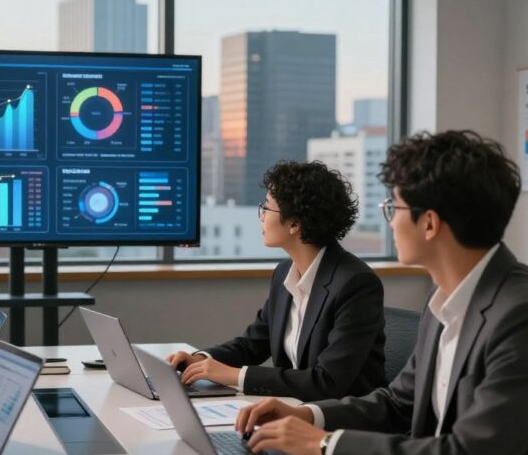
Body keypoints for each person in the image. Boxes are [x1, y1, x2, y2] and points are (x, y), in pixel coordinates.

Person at [234, 131, 528, 455]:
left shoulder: (526, 316)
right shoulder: (446, 298)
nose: (390, 223)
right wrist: (308, 416)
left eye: (394, 209)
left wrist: (324, 445)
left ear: (429, 224)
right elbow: (398, 403)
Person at [165, 160, 386, 401]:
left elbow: (327, 382)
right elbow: (253, 344)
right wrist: (201, 360)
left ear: (294, 223)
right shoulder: (284, 273)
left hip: (342, 423)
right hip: (292, 410)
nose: (261, 216)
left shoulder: (355, 284)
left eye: (267, 208)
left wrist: (234, 376)